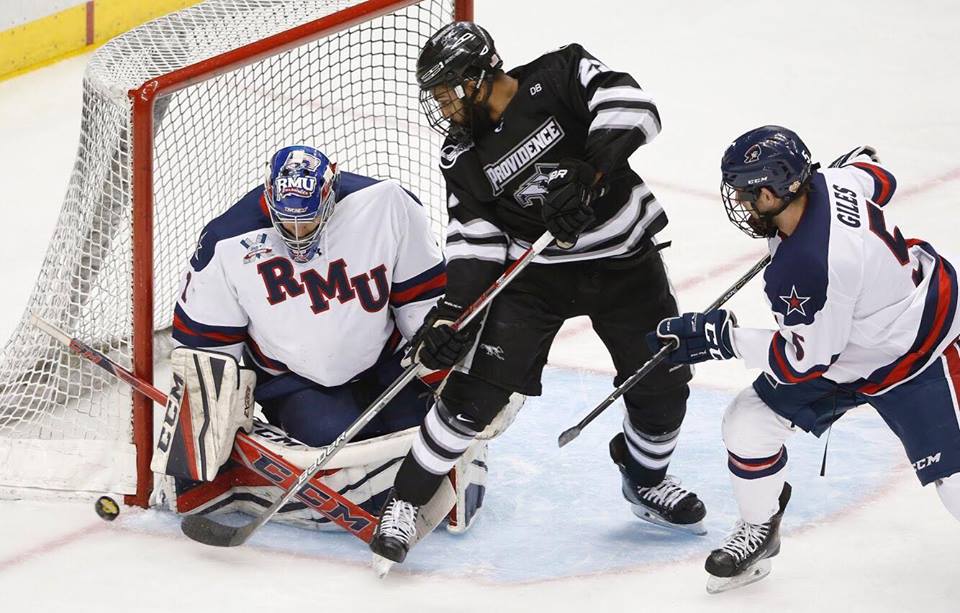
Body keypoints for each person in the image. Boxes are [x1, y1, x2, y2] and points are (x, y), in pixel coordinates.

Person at [369, 21, 704, 567]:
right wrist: (453, 315)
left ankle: (645, 481)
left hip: (626, 265)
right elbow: (475, 240)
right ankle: (404, 503)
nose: (444, 109)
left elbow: (635, 107)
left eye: (447, 93)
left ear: (478, 78)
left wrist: (591, 167)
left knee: (663, 384)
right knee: (476, 394)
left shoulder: (561, 73)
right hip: (539, 277)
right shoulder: (463, 157)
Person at [647, 126, 960, 593]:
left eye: (746, 192)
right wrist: (847, 170)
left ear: (774, 190)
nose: (741, 203)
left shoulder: (809, 265)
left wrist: (722, 339)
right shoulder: (833, 181)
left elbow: (801, 363)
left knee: (955, 483)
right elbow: (880, 177)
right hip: (850, 348)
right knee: (749, 423)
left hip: (914, 353)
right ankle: (760, 530)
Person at [153, 144, 489, 529]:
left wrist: (442, 371)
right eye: (286, 221)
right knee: (343, 452)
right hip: (294, 384)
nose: (297, 233)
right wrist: (194, 456)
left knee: (426, 434)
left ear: (330, 197)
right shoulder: (228, 241)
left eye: (308, 221)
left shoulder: (385, 205)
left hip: (388, 367)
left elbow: (421, 300)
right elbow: (205, 347)